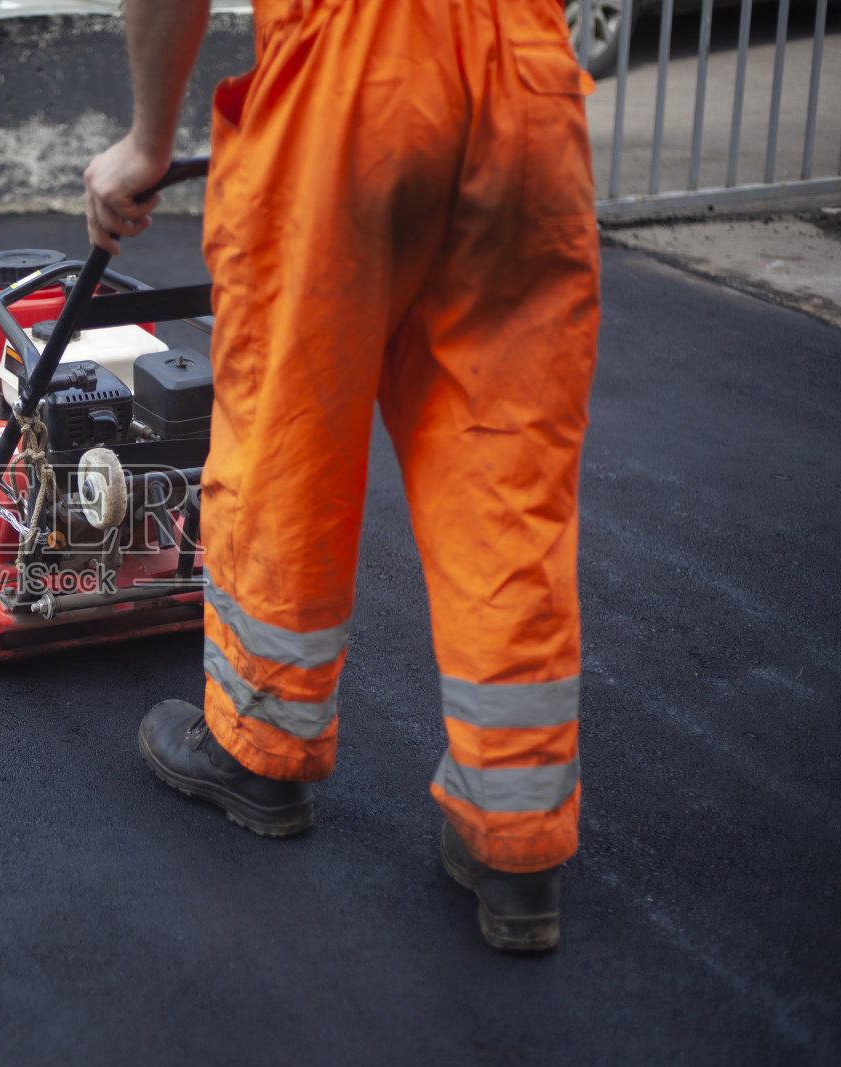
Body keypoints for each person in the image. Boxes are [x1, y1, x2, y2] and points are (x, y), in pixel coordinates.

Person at [84, 0, 600, 952]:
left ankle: (258, 749)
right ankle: (514, 840)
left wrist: (147, 140)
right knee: (506, 476)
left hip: (350, 79)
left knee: (290, 440)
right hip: (529, 81)